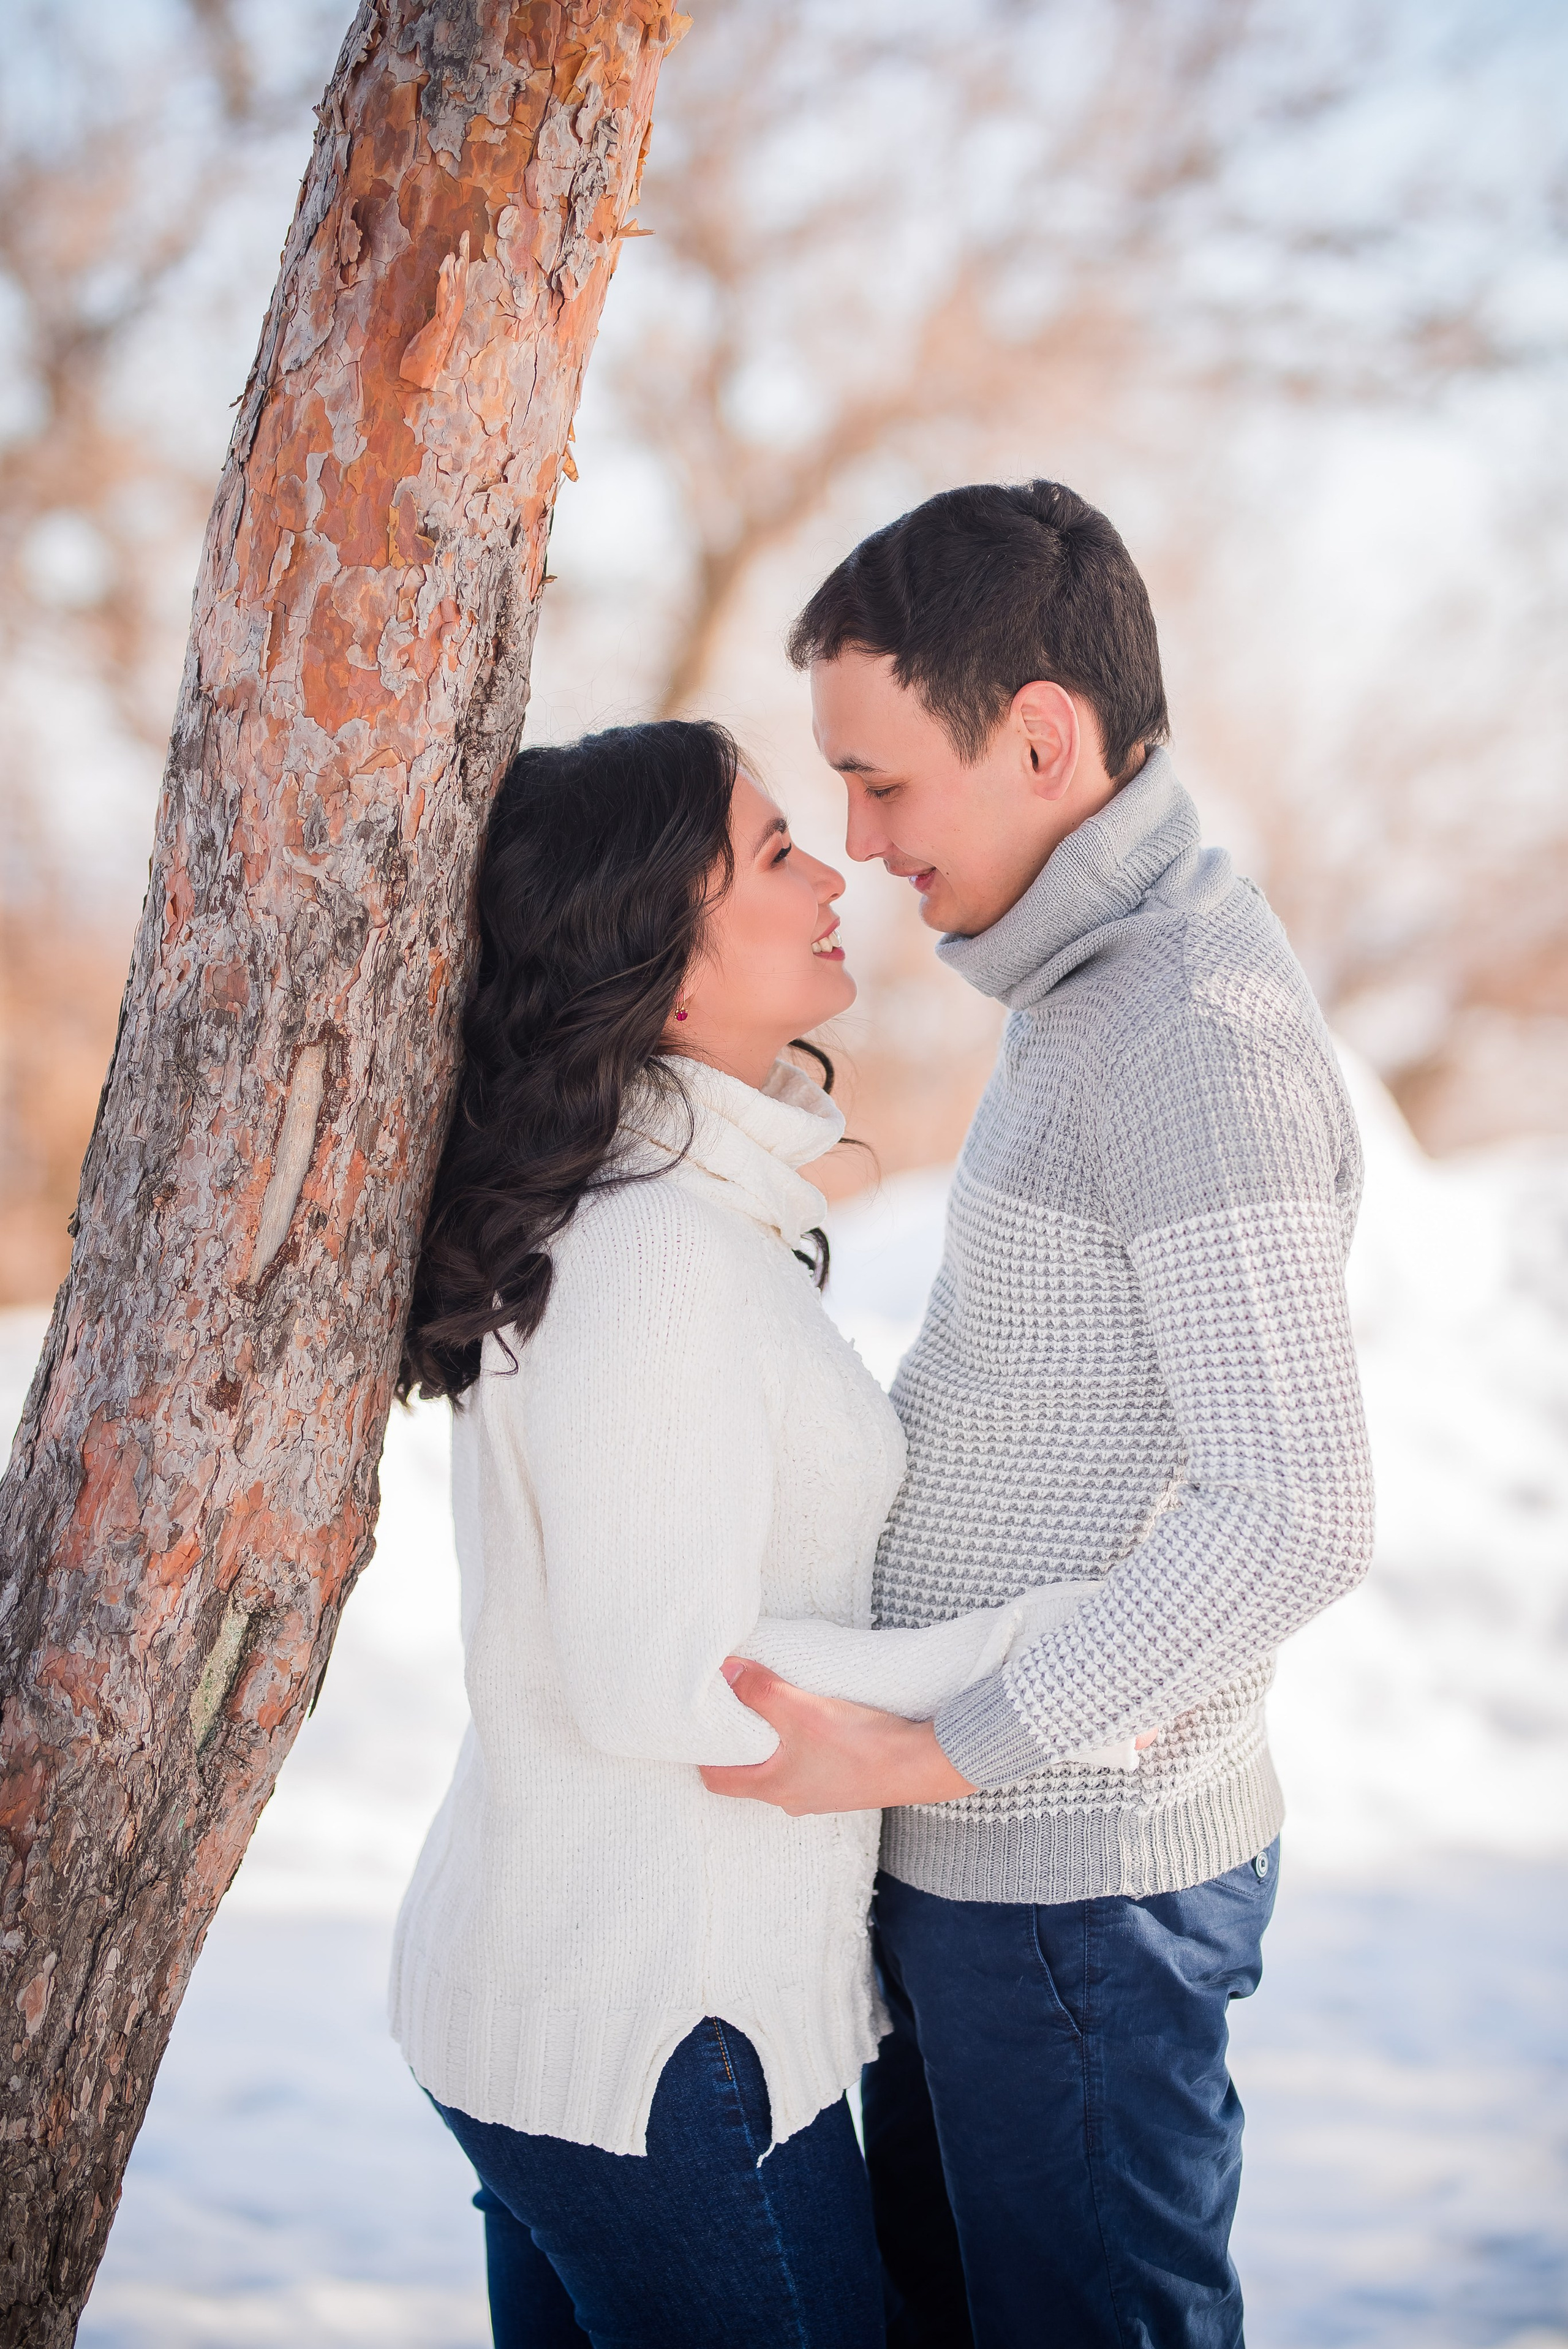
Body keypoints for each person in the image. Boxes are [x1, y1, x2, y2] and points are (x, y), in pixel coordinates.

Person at [702, 481, 1377, 2347]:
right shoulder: (1095, 988)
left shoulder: (1187, 1026)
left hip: (1075, 1898)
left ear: (1044, 735)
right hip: (1004, 1876)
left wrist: (940, 1751)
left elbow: (1298, 1509)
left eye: (885, 781)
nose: (856, 840)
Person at [390, 718, 1133, 2348]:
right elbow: (671, 1677)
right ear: (661, 967)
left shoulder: (675, 1215)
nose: (836, 873)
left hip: (603, 1999)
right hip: (667, 2030)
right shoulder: (658, 1252)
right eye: (776, 855)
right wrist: (1047, 1655)